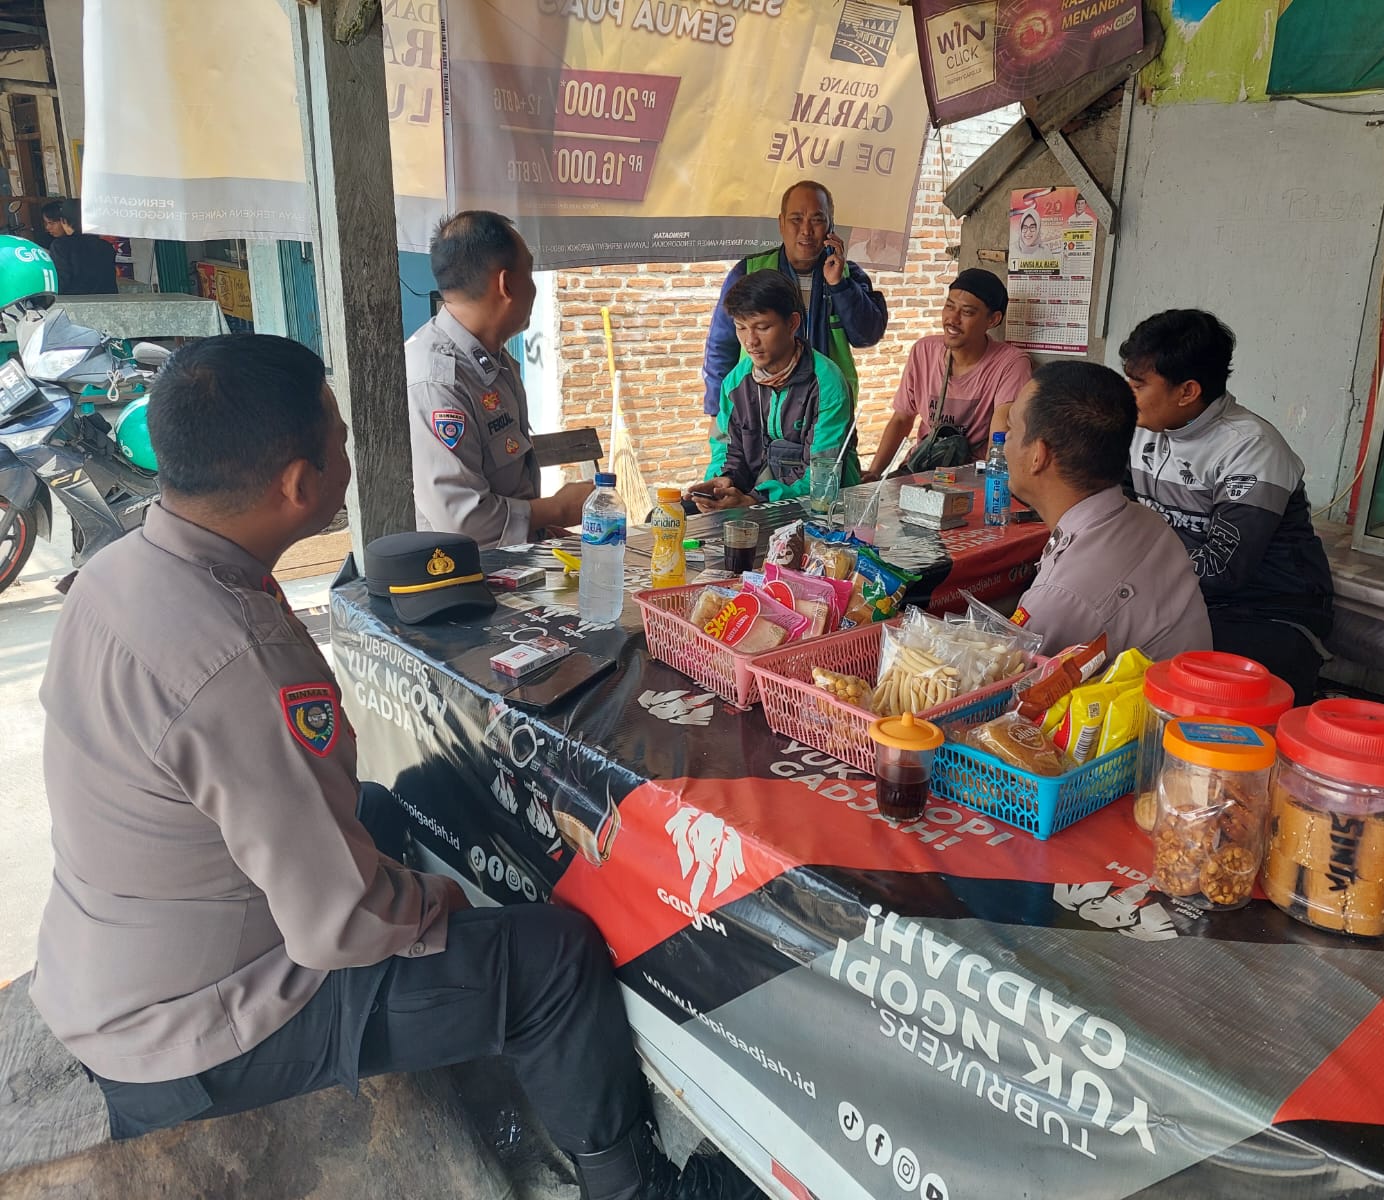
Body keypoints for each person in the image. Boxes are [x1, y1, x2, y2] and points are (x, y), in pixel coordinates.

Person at [30, 333, 758, 1200]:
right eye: (339, 438)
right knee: (554, 956)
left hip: (110, 959)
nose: (351, 452)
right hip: (194, 1031)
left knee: (380, 808)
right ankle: (635, 1187)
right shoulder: (238, 660)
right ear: (298, 485)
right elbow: (338, 925)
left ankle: (464, 1010)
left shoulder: (117, 570)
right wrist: (438, 903)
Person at [1120, 309, 1333, 703]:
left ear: (1187, 392)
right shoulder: (1141, 432)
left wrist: (1132, 572)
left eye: (1138, 386)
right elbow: (1115, 514)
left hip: (1265, 611)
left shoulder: (1250, 448)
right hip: (1183, 598)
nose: (1127, 395)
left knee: (1148, 668)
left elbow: (1221, 570)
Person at [1005, 360, 1211, 661]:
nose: (1005, 441)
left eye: (1011, 428)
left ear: (1039, 455)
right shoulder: (1146, 520)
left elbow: (1010, 679)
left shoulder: (1061, 598)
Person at [406, 210, 590, 548]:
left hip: (511, 560)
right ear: (506, 284)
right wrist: (559, 509)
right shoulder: (438, 380)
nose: (533, 288)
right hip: (460, 572)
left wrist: (541, 529)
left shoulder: (493, 362)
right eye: (529, 273)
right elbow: (464, 523)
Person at [700, 180, 886, 429]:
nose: (806, 230)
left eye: (817, 220)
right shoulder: (749, 272)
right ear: (781, 223)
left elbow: (867, 336)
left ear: (830, 226)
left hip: (828, 410)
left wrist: (839, 286)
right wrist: (716, 413)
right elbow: (721, 345)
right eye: (796, 219)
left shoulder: (848, 276)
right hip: (760, 413)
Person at [690, 269, 858, 511]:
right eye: (741, 327)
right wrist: (722, 482)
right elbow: (727, 448)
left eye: (762, 327)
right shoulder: (735, 382)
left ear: (792, 324)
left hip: (822, 509)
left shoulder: (827, 383)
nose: (750, 341)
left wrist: (756, 499)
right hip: (754, 502)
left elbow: (820, 473)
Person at [864, 269, 1033, 480]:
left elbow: (999, 438)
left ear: (993, 319)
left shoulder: (1011, 364)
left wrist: (987, 489)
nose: (952, 319)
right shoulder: (924, 351)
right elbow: (902, 418)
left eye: (967, 312)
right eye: (949, 306)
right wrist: (874, 472)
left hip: (969, 477)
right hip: (922, 469)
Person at [41, 198, 118, 295]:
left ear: (63, 221)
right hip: (110, 301)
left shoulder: (60, 246)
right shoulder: (106, 246)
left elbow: (60, 282)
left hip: (76, 302)